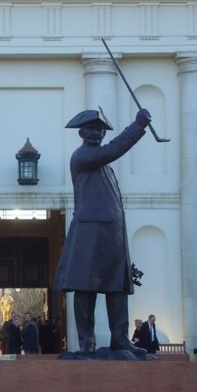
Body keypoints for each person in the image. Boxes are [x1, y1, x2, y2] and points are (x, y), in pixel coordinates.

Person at [53, 107, 151, 355]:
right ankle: (86, 341)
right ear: (81, 133)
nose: (96, 133)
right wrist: (137, 126)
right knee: (85, 286)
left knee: (117, 286)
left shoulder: (104, 166)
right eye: (91, 129)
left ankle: (120, 338)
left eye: (99, 129)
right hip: (90, 230)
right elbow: (114, 150)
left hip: (113, 230)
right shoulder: (83, 156)